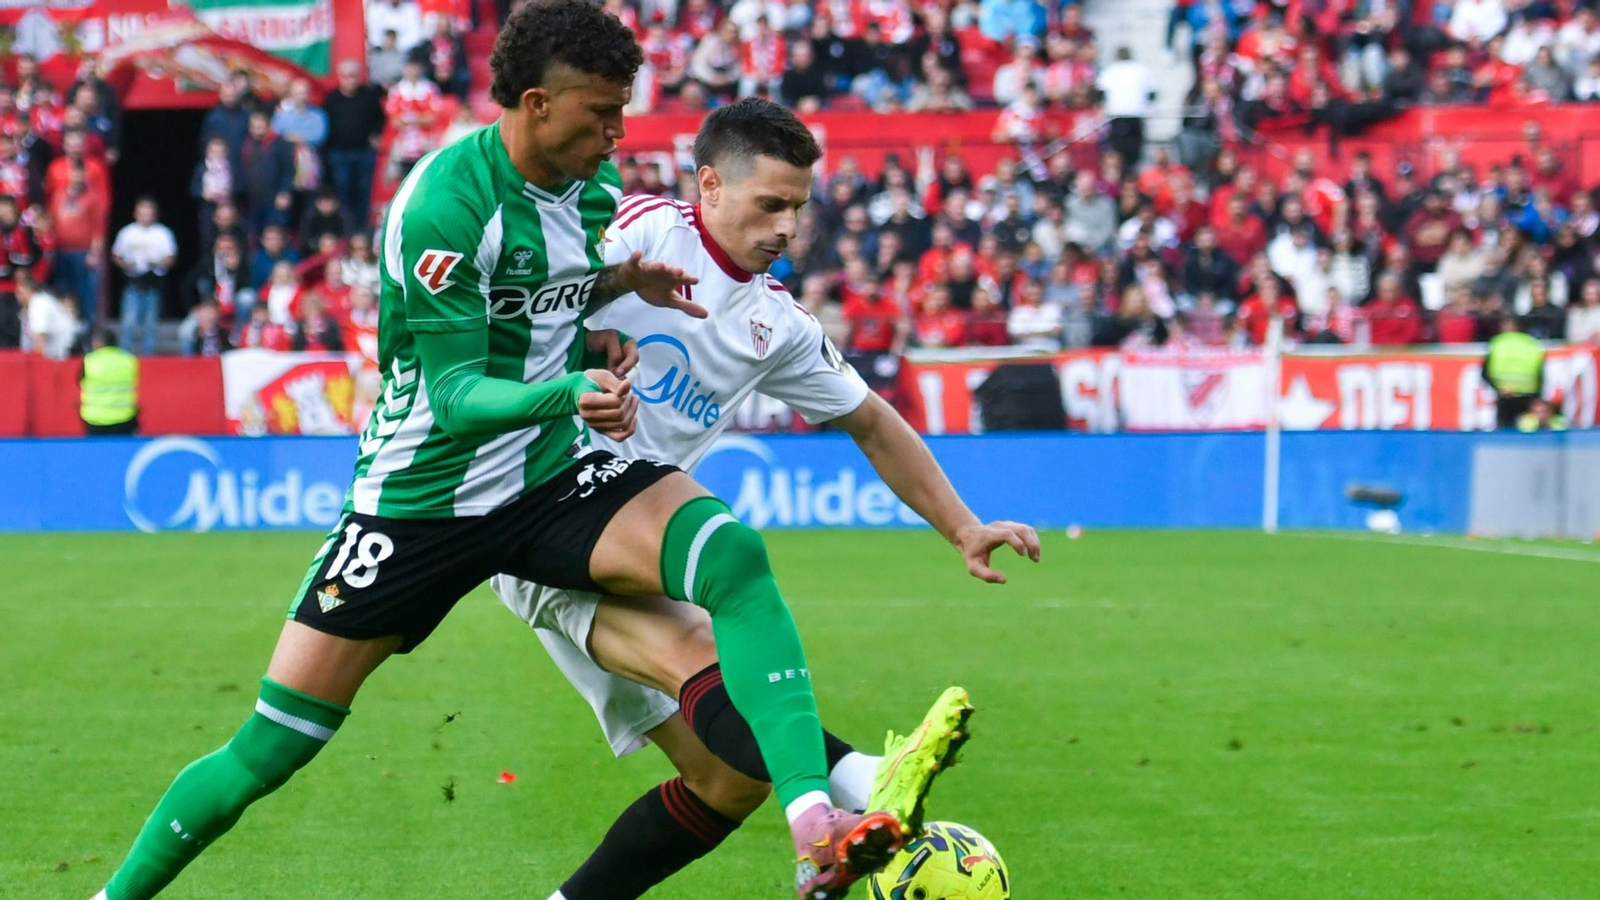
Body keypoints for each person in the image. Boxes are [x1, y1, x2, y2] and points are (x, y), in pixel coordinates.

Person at [93, 7, 1027, 900]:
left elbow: (562, 298)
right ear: (537, 103)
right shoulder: (443, 207)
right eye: (603, 111)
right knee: (273, 744)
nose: (621, 132)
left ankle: (818, 814)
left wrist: (619, 291)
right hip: (419, 497)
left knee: (730, 563)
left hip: (550, 477)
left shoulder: (598, 205)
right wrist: (572, 384)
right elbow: (456, 399)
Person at [491, 99, 1023, 900]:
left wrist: (962, 526)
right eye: (769, 203)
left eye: (799, 207)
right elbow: (521, 298)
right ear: (708, 185)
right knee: (727, 576)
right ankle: (853, 787)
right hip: (542, 504)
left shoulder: (778, 321)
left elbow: (874, 422)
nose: (787, 226)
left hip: (631, 537)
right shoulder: (639, 232)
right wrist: (588, 336)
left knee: (726, 779)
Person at [110, 197, 176, 356]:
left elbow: (171, 257)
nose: (145, 217)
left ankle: (148, 358)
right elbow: (116, 255)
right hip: (133, 282)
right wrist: (127, 264)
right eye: (142, 213)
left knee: (150, 324)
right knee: (128, 322)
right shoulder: (127, 232)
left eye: (149, 214)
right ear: (136, 214)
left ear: (155, 215)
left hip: (153, 282)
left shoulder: (162, 233)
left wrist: (157, 263)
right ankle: (124, 357)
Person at [1482, 315, 1545, 429]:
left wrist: (1498, 387)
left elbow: (1485, 373)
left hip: (1506, 395)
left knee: (1504, 432)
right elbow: (1540, 373)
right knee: (1527, 429)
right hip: (1527, 393)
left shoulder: (1497, 343)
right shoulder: (1532, 343)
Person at [79, 329, 138, 434]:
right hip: (124, 418)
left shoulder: (89, 361)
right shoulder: (129, 360)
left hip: (95, 420)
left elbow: (79, 382)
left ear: (98, 342)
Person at [18, 272, 76, 359]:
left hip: (66, 354)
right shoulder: (41, 299)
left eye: (20, 292)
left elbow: (39, 339)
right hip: (60, 353)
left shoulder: (38, 304)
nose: (17, 296)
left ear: (29, 290)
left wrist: (36, 365)